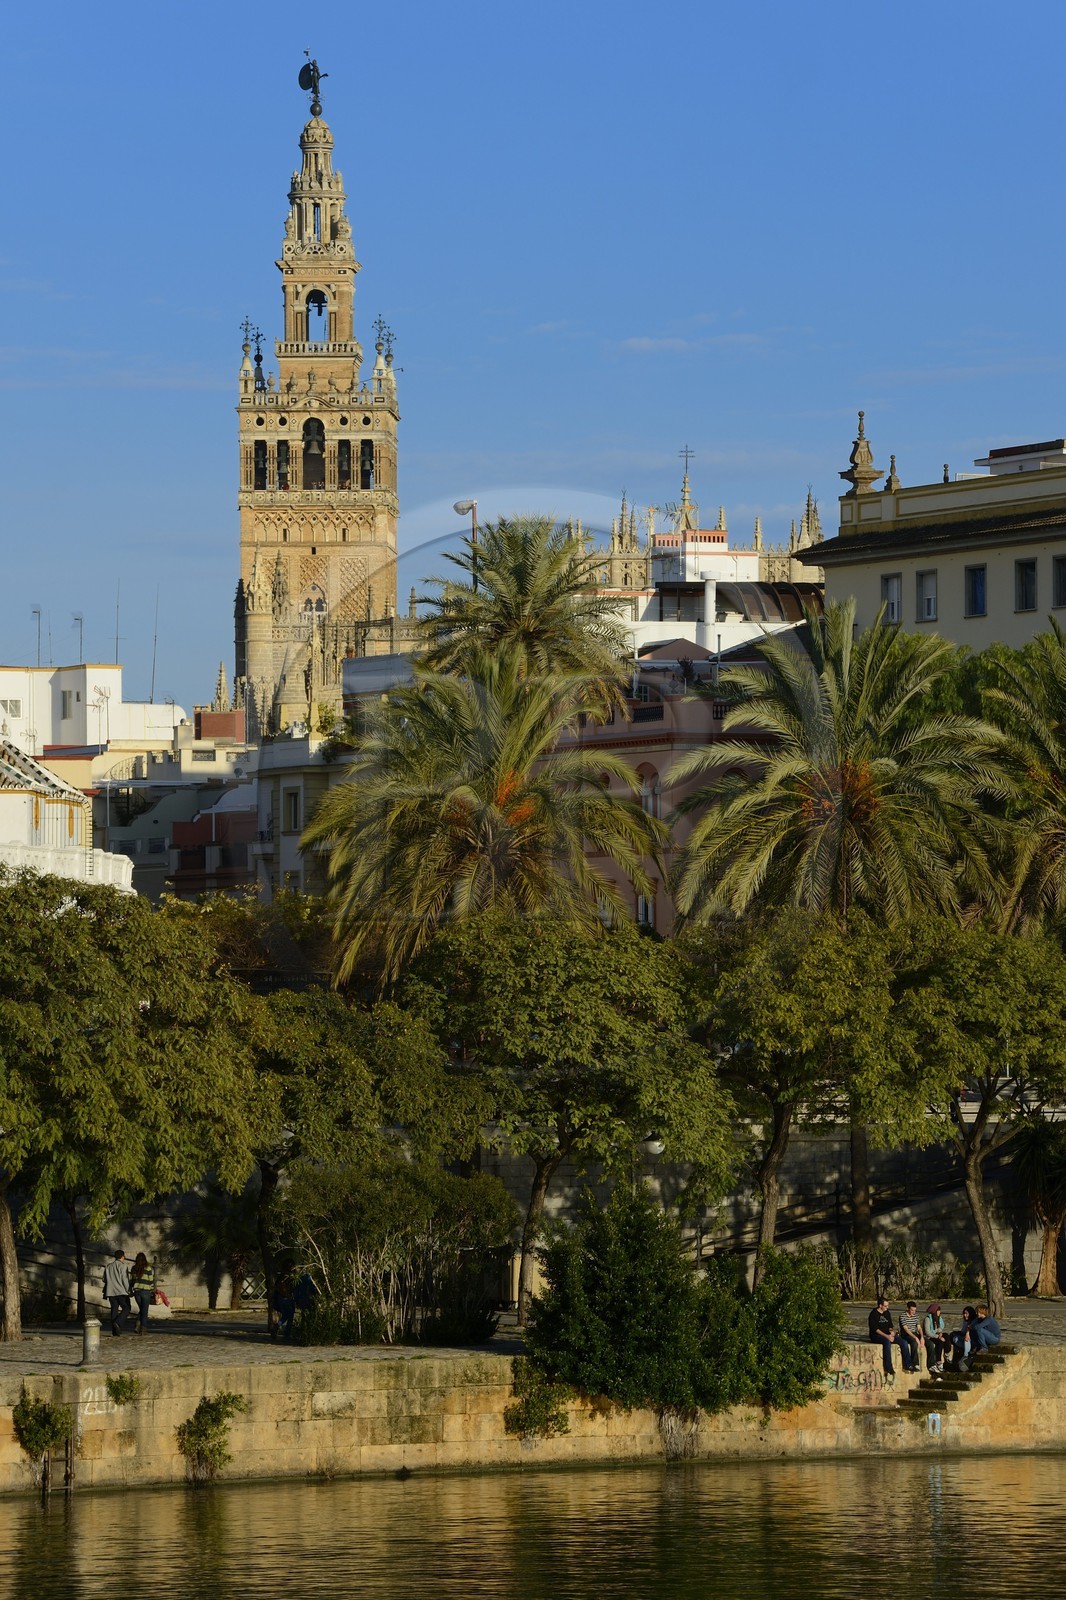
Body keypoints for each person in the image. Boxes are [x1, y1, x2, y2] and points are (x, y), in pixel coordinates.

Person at [102, 1250, 131, 1337]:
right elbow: (125, 1280)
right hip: (121, 1291)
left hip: (111, 1291)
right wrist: (128, 1291)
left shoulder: (108, 1266)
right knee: (126, 1308)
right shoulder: (123, 1266)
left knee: (114, 1309)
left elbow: (104, 1279)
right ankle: (118, 1322)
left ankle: (115, 1331)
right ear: (122, 1257)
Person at [868, 1296, 896, 1375]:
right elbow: (875, 1329)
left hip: (887, 1334)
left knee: (903, 1342)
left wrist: (891, 1332)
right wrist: (887, 1336)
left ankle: (909, 1364)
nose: (887, 1307)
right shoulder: (873, 1314)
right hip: (876, 1335)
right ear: (880, 1306)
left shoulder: (887, 1313)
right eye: (885, 1306)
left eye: (888, 1306)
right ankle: (888, 1367)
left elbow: (890, 1325)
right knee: (887, 1343)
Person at [129, 1253, 155, 1335]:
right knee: (144, 1310)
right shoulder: (148, 1268)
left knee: (142, 1309)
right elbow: (151, 1280)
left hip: (137, 1291)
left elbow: (131, 1281)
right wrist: (152, 1288)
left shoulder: (134, 1268)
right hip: (146, 1291)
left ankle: (137, 1325)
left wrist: (131, 1290)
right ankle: (143, 1328)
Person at [897, 1301, 924, 1373]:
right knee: (914, 1343)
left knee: (929, 1343)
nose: (913, 1312)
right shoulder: (903, 1316)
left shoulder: (916, 1316)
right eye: (912, 1310)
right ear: (908, 1309)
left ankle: (932, 1364)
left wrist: (922, 1337)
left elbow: (919, 1328)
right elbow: (906, 1329)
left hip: (914, 1333)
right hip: (906, 1334)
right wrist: (915, 1338)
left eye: (915, 1310)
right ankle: (915, 1363)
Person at [949, 1305, 978, 1370]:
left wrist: (967, 1333)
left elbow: (969, 1332)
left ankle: (965, 1356)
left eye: (966, 1313)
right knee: (955, 1338)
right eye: (964, 1314)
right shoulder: (965, 1321)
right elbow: (963, 1331)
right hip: (965, 1339)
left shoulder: (974, 1321)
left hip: (973, 1341)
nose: (965, 1315)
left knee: (966, 1339)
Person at [922, 1303, 948, 1373]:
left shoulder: (939, 1318)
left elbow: (941, 1328)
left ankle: (947, 1353)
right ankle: (938, 1361)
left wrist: (940, 1333)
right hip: (930, 1336)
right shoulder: (928, 1319)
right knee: (940, 1342)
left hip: (937, 1334)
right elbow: (928, 1332)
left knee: (946, 1336)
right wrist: (938, 1336)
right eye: (938, 1310)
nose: (939, 1312)